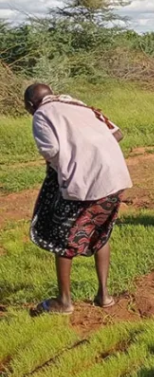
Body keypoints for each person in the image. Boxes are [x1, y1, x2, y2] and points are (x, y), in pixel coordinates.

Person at [25, 84, 132, 315]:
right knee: (101, 230)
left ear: (31, 106)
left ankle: (64, 301)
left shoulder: (42, 114)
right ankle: (104, 296)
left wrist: (74, 163)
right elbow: (117, 133)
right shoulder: (77, 104)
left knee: (62, 236)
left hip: (85, 181)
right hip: (115, 177)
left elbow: (51, 150)